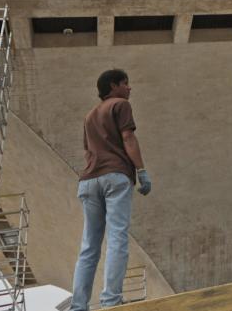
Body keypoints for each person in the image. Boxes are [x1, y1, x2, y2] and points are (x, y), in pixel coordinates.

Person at [70, 69, 152, 311]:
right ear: (114, 85)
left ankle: (79, 305)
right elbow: (128, 138)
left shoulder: (89, 116)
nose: (129, 88)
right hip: (115, 177)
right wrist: (142, 171)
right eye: (126, 83)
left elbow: (88, 151)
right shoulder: (120, 105)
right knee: (117, 237)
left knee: (89, 246)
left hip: (88, 180)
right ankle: (111, 301)